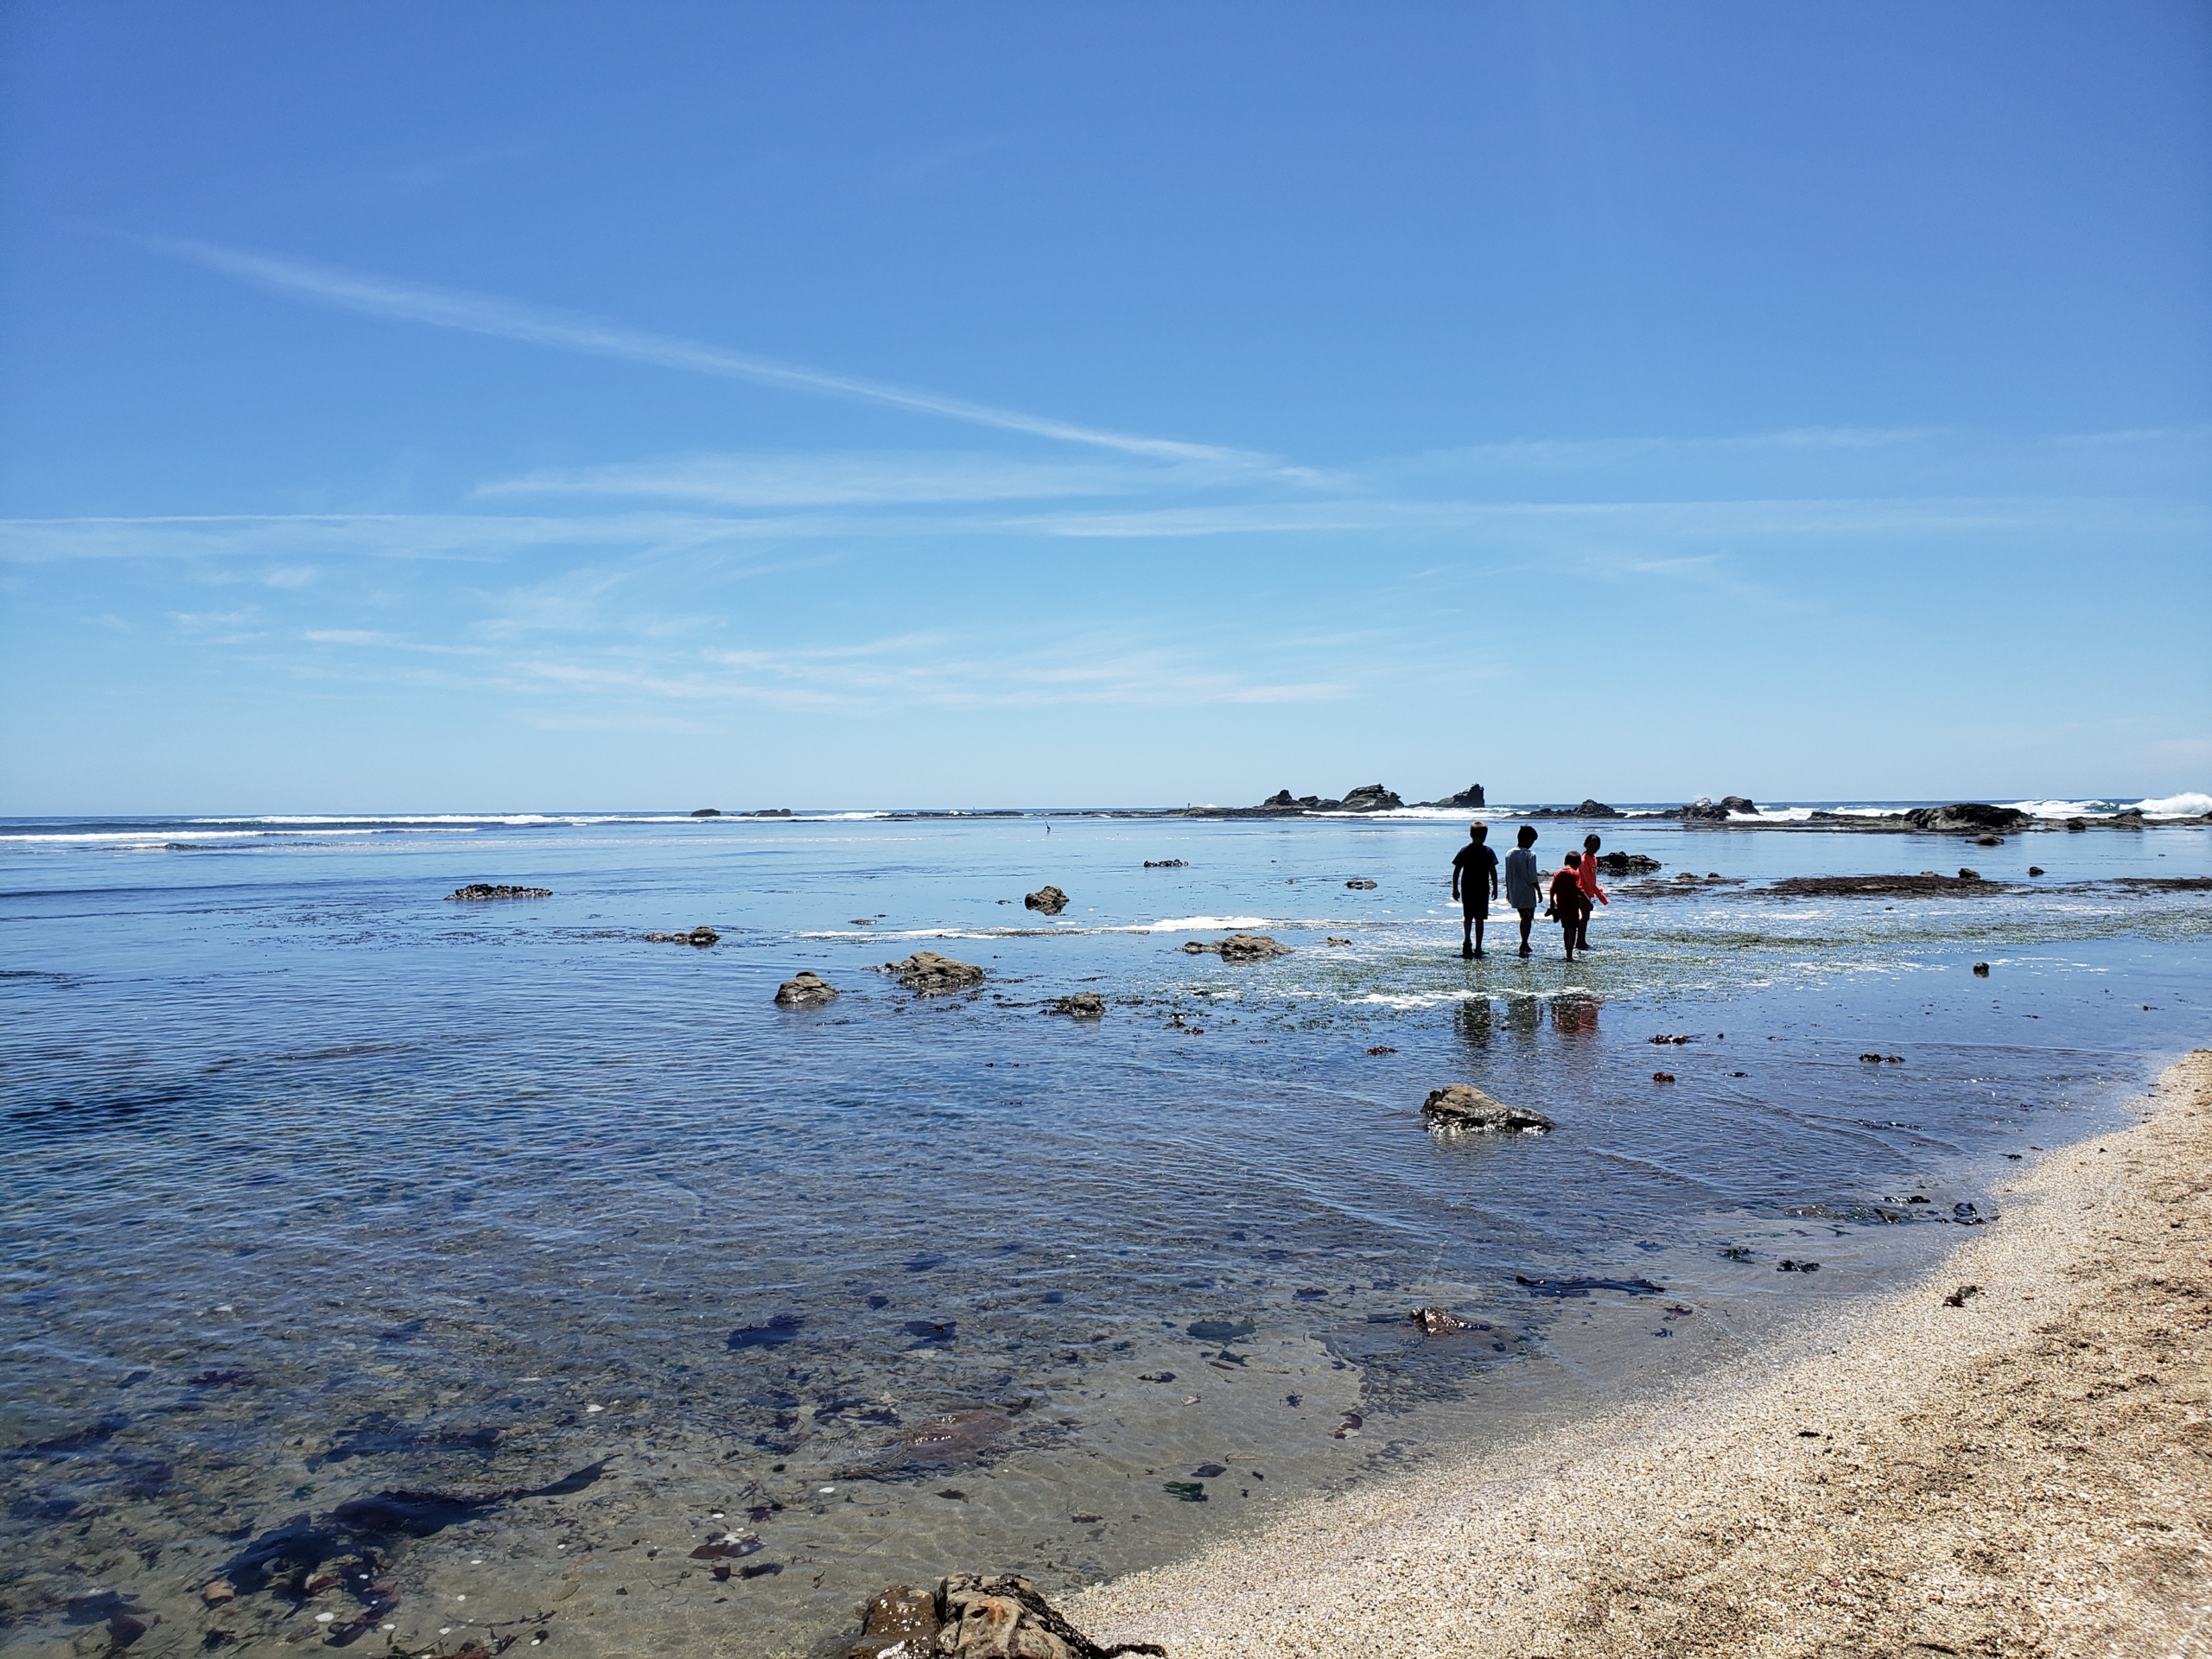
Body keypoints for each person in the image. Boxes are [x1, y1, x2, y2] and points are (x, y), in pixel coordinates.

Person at [1449, 823, 1499, 958]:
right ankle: (1477, 946)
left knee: (1468, 916)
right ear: (1485, 836)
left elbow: (1457, 870)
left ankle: (1467, 939)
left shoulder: (1465, 850)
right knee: (1480, 918)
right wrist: (1495, 887)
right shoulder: (1487, 851)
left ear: (1471, 835)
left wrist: (1455, 888)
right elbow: (1493, 871)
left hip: (1467, 888)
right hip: (1482, 889)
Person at [1503, 824, 1541, 956]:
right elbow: (1532, 876)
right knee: (1527, 918)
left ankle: (1524, 942)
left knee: (1523, 917)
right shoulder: (1530, 854)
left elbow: (1508, 874)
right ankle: (1524, 943)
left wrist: (1508, 890)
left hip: (1515, 889)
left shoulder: (1509, 853)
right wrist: (1539, 891)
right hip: (1527, 890)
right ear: (1529, 839)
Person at [1548, 851, 1586, 961]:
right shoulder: (1575, 874)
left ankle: (1567, 952)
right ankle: (1570, 954)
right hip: (1572, 906)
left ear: (1565, 861)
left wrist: (1552, 902)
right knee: (1573, 929)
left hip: (1561, 905)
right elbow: (1579, 890)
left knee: (1566, 928)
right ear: (1579, 864)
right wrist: (1588, 902)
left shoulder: (1558, 873)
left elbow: (1552, 889)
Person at [1575, 833, 1610, 950]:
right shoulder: (1584, 860)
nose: (1593, 849)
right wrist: (1601, 897)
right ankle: (1580, 942)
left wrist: (1596, 891)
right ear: (1585, 845)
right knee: (1585, 916)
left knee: (1585, 916)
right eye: (1591, 846)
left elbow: (1592, 877)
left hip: (1588, 891)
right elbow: (1587, 880)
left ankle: (1580, 941)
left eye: (1596, 847)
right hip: (1581, 891)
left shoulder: (1593, 858)